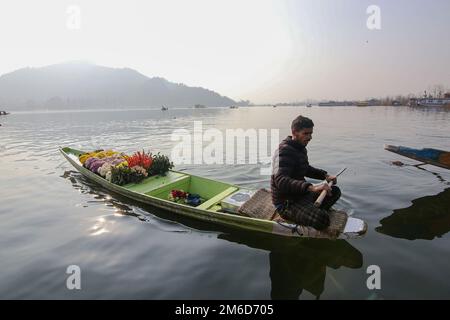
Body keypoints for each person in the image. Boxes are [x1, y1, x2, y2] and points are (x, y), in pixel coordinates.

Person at [271, 115, 340, 230]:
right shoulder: (284, 151)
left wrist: (325, 176)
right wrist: (312, 188)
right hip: (287, 203)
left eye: (311, 133)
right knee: (322, 220)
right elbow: (280, 181)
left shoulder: (300, 147)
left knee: (335, 191)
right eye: (306, 133)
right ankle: (310, 212)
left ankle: (308, 211)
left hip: (300, 195)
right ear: (294, 132)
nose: (310, 137)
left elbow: (305, 168)